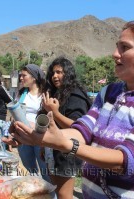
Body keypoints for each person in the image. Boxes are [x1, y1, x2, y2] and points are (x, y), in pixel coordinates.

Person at [3, 21, 134, 198]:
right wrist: (36, 135)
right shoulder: (109, 92)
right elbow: (83, 130)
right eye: (116, 47)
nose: (115, 54)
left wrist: (65, 144)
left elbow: (129, 161)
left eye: (124, 48)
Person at [39, 57, 92, 199]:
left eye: (59, 72)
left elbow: (79, 128)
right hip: (54, 151)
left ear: (68, 74)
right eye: (53, 73)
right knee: (57, 191)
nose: (55, 76)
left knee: (64, 195)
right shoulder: (57, 93)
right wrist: (44, 146)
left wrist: (55, 113)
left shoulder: (75, 95)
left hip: (66, 153)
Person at [14, 64, 50, 182]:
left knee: (45, 170)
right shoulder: (20, 94)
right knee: (29, 169)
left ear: (34, 77)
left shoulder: (46, 94)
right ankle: (36, 190)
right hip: (24, 136)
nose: (21, 78)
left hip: (41, 137)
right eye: (20, 76)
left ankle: (50, 194)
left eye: (24, 75)